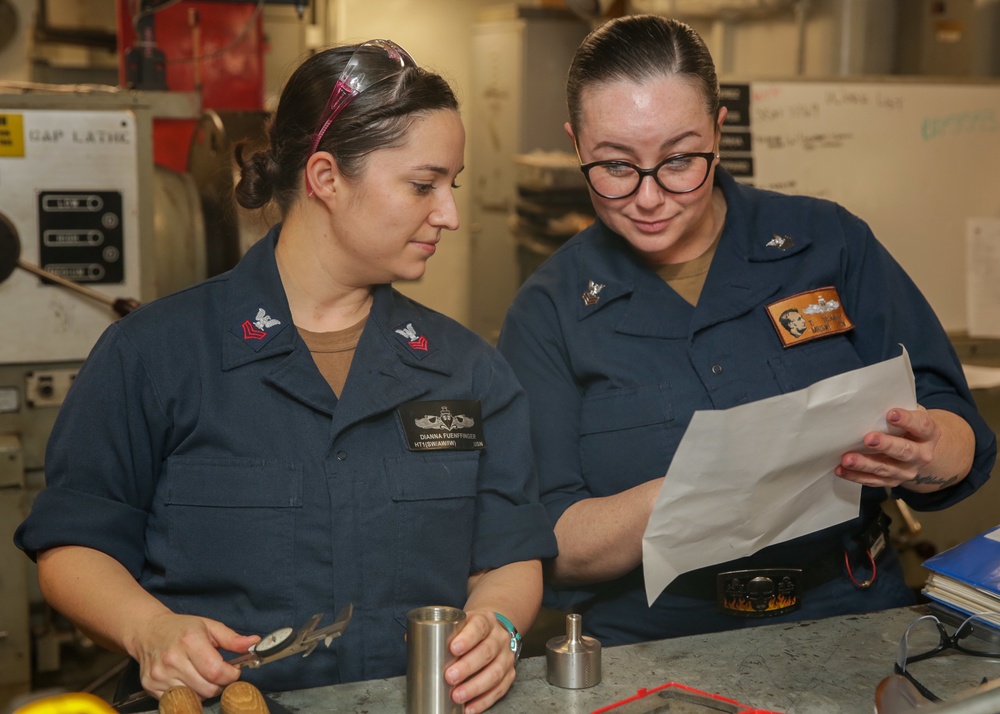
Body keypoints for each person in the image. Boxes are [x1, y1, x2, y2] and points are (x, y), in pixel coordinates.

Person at [15, 40, 556, 714]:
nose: (448, 212)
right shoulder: (154, 355)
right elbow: (73, 547)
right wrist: (148, 629)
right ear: (327, 178)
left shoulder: (469, 369)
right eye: (423, 184)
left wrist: (498, 625)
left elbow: (509, 554)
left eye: (454, 184)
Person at [496, 15, 996, 646]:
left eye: (680, 159)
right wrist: (692, 491)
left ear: (719, 131)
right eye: (616, 166)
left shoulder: (829, 243)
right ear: (576, 145)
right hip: (652, 640)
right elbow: (551, 543)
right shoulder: (550, 309)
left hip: (849, 610)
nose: (650, 197)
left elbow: (957, 435)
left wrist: (926, 453)